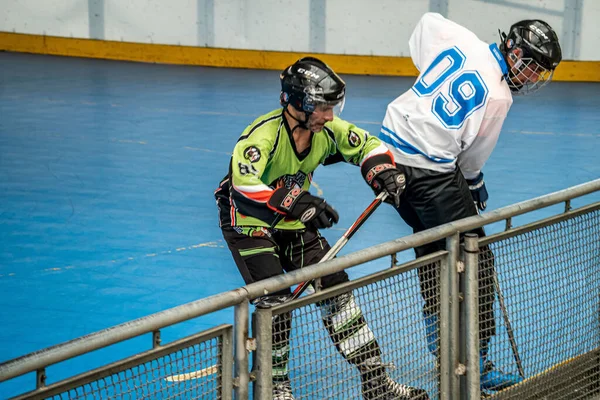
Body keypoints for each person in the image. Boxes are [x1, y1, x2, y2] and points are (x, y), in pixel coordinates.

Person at [214, 57, 429, 400]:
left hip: (292, 220)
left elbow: (368, 144)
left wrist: (381, 170)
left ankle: (376, 383)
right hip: (247, 223)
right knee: (275, 301)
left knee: (334, 287)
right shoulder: (262, 135)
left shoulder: (325, 130)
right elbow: (243, 187)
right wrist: (297, 203)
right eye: (322, 108)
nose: (330, 116)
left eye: (332, 107)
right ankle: (275, 388)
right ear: (298, 104)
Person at [377, 13, 562, 392]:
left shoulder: (462, 40)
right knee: (475, 257)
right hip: (427, 170)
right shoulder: (498, 95)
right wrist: (474, 185)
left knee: (432, 248)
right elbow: (472, 161)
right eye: (530, 67)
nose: (531, 78)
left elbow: (425, 22)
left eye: (539, 72)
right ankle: (473, 361)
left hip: (385, 154)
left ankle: (442, 350)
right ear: (513, 51)